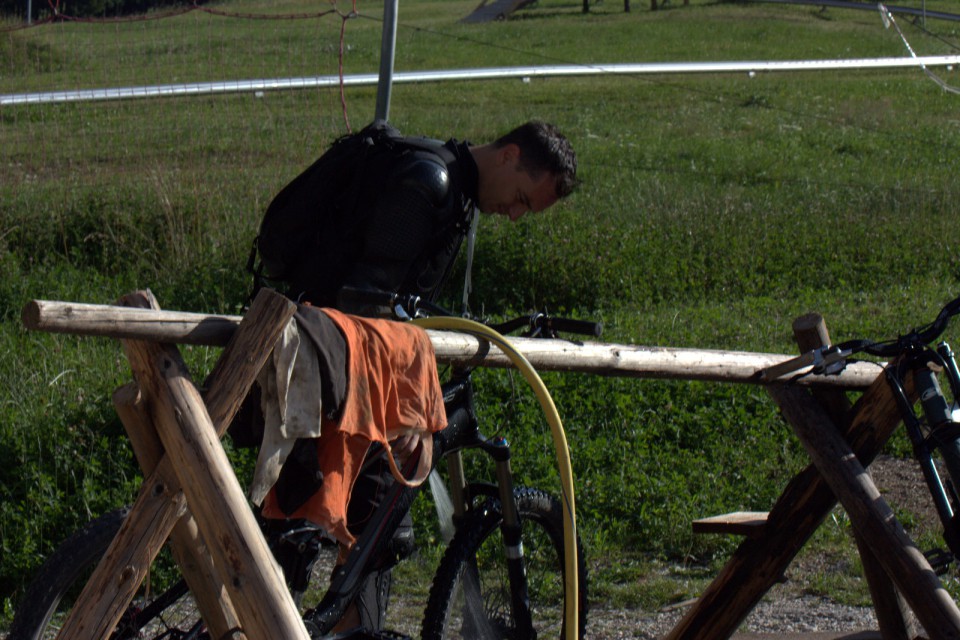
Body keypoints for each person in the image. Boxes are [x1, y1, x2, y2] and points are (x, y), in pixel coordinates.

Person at [267, 119, 578, 633]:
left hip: (338, 363)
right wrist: (415, 392)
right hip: (324, 365)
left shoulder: (452, 191)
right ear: (508, 155)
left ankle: (341, 623)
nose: (515, 214)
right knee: (344, 523)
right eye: (521, 197)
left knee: (373, 525)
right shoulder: (429, 183)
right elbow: (366, 301)